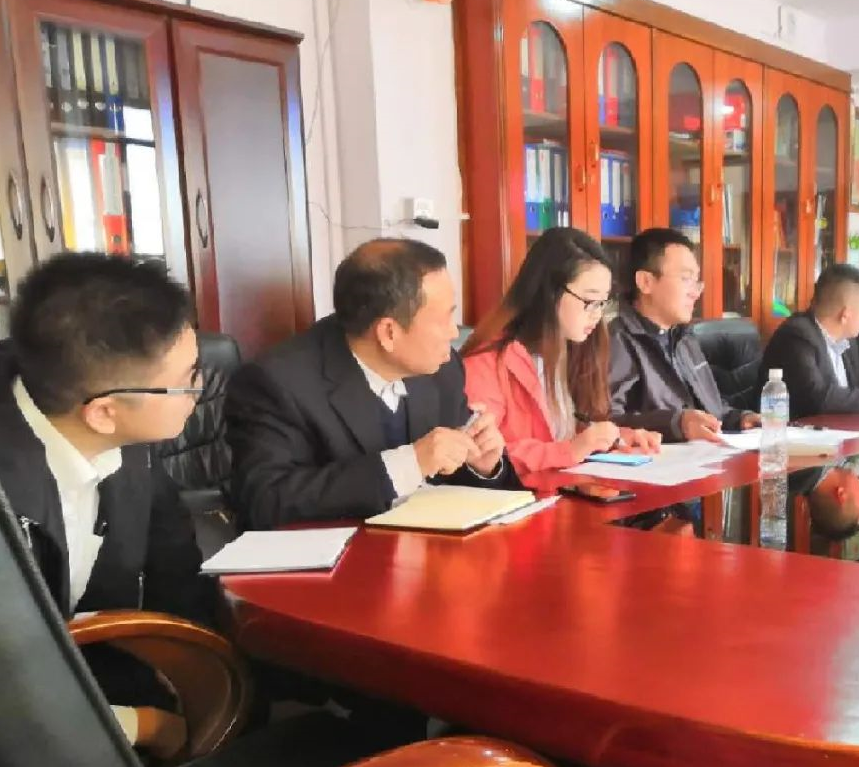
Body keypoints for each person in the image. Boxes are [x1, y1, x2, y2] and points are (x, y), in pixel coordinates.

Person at [0, 254, 213, 759]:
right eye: (187, 380)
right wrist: (142, 725)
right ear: (103, 413)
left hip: (93, 668)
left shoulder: (124, 434)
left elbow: (173, 565)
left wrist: (194, 673)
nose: (199, 392)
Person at [226, 238, 518, 530]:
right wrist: (408, 464)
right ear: (388, 332)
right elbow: (265, 501)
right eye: (444, 319)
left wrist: (483, 467)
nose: (454, 333)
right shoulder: (278, 382)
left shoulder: (442, 369)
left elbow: (450, 479)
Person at [461, 227, 660, 480]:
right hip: (519, 500)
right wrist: (571, 450)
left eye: (603, 303)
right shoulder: (486, 363)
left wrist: (615, 438)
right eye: (589, 301)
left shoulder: (574, 347)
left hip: (566, 491)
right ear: (549, 293)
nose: (597, 315)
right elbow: (483, 457)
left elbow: (562, 434)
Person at [608, 228, 758, 442]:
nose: (695, 293)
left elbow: (711, 410)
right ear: (645, 282)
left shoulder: (684, 338)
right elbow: (606, 423)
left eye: (697, 281)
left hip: (707, 454)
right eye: (686, 279)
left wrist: (739, 419)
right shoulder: (616, 341)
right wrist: (676, 424)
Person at [759, 263, 859, 420]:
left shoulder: (846, 342)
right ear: (845, 315)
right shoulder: (797, 337)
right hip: (791, 434)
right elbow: (819, 399)